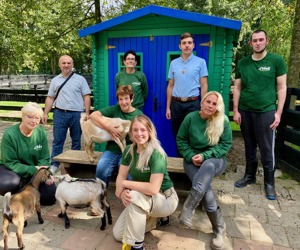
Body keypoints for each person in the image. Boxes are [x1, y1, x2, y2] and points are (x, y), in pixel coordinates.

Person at [233, 30, 287, 200]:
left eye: (261, 40)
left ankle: (269, 184)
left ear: (266, 41)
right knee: (249, 145)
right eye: (254, 40)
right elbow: (238, 87)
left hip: (266, 111)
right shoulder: (243, 63)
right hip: (245, 111)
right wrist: (235, 110)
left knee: (266, 148)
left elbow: (281, 87)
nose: (258, 43)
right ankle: (250, 176)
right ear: (250, 43)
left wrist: (278, 113)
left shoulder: (276, 61)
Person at [113, 115, 179, 250]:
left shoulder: (156, 154)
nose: (139, 134)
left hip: (164, 198)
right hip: (144, 197)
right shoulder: (128, 151)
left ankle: (138, 247)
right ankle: (153, 219)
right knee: (118, 235)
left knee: (133, 197)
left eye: (143, 130)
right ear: (131, 133)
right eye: (135, 130)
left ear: (150, 131)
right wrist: (121, 193)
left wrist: (126, 185)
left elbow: (154, 188)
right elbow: (120, 178)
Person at [177, 91, 232, 250]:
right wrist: (191, 155)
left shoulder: (223, 121)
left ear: (218, 107)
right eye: (208, 102)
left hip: (216, 160)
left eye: (214, 104)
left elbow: (225, 145)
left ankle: (188, 208)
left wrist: (206, 155)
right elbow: (181, 140)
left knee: (208, 166)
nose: (210, 106)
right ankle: (219, 229)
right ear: (202, 102)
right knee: (206, 190)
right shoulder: (190, 118)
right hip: (192, 160)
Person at [42, 55, 91, 174]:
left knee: (76, 141)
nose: (66, 65)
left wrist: (87, 113)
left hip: (76, 114)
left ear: (72, 65)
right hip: (59, 113)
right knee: (58, 141)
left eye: (69, 63)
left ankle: (74, 164)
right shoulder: (55, 80)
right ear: (59, 65)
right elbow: (50, 97)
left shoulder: (80, 79)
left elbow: (86, 96)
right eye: (63, 63)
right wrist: (45, 113)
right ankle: (54, 164)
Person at [0, 102, 56, 206]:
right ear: (22, 116)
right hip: (11, 169)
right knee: (7, 184)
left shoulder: (41, 132)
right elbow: (11, 162)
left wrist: (45, 173)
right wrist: (34, 170)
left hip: (35, 169)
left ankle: (27, 185)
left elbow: (44, 158)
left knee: (49, 197)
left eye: (37, 118)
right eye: (30, 117)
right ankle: (20, 190)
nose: (34, 121)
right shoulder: (10, 134)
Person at [89, 85, 143, 189]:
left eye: (126, 98)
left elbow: (142, 136)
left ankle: (128, 198)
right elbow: (93, 115)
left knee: (128, 173)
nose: (124, 102)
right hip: (112, 149)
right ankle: (100, 195)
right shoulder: (114, 110)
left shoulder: (138, 115)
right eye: (121, 99)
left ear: (132, 98)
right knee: (101, 168)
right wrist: (108, 127)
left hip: (129, 150)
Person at [166, 32, 208, 150]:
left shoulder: (200, 62)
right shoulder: (174, 63)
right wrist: (168, 107)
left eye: (189, 43)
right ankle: (180, 162)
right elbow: (170, 85)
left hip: (193, 104)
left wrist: (203, 105)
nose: (187, 45)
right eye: (184, 43)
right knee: (178, 134)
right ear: (180, 46)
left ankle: (190, 162)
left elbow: (204, 85)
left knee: (192, 134)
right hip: (176, 104)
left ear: (193, 45)